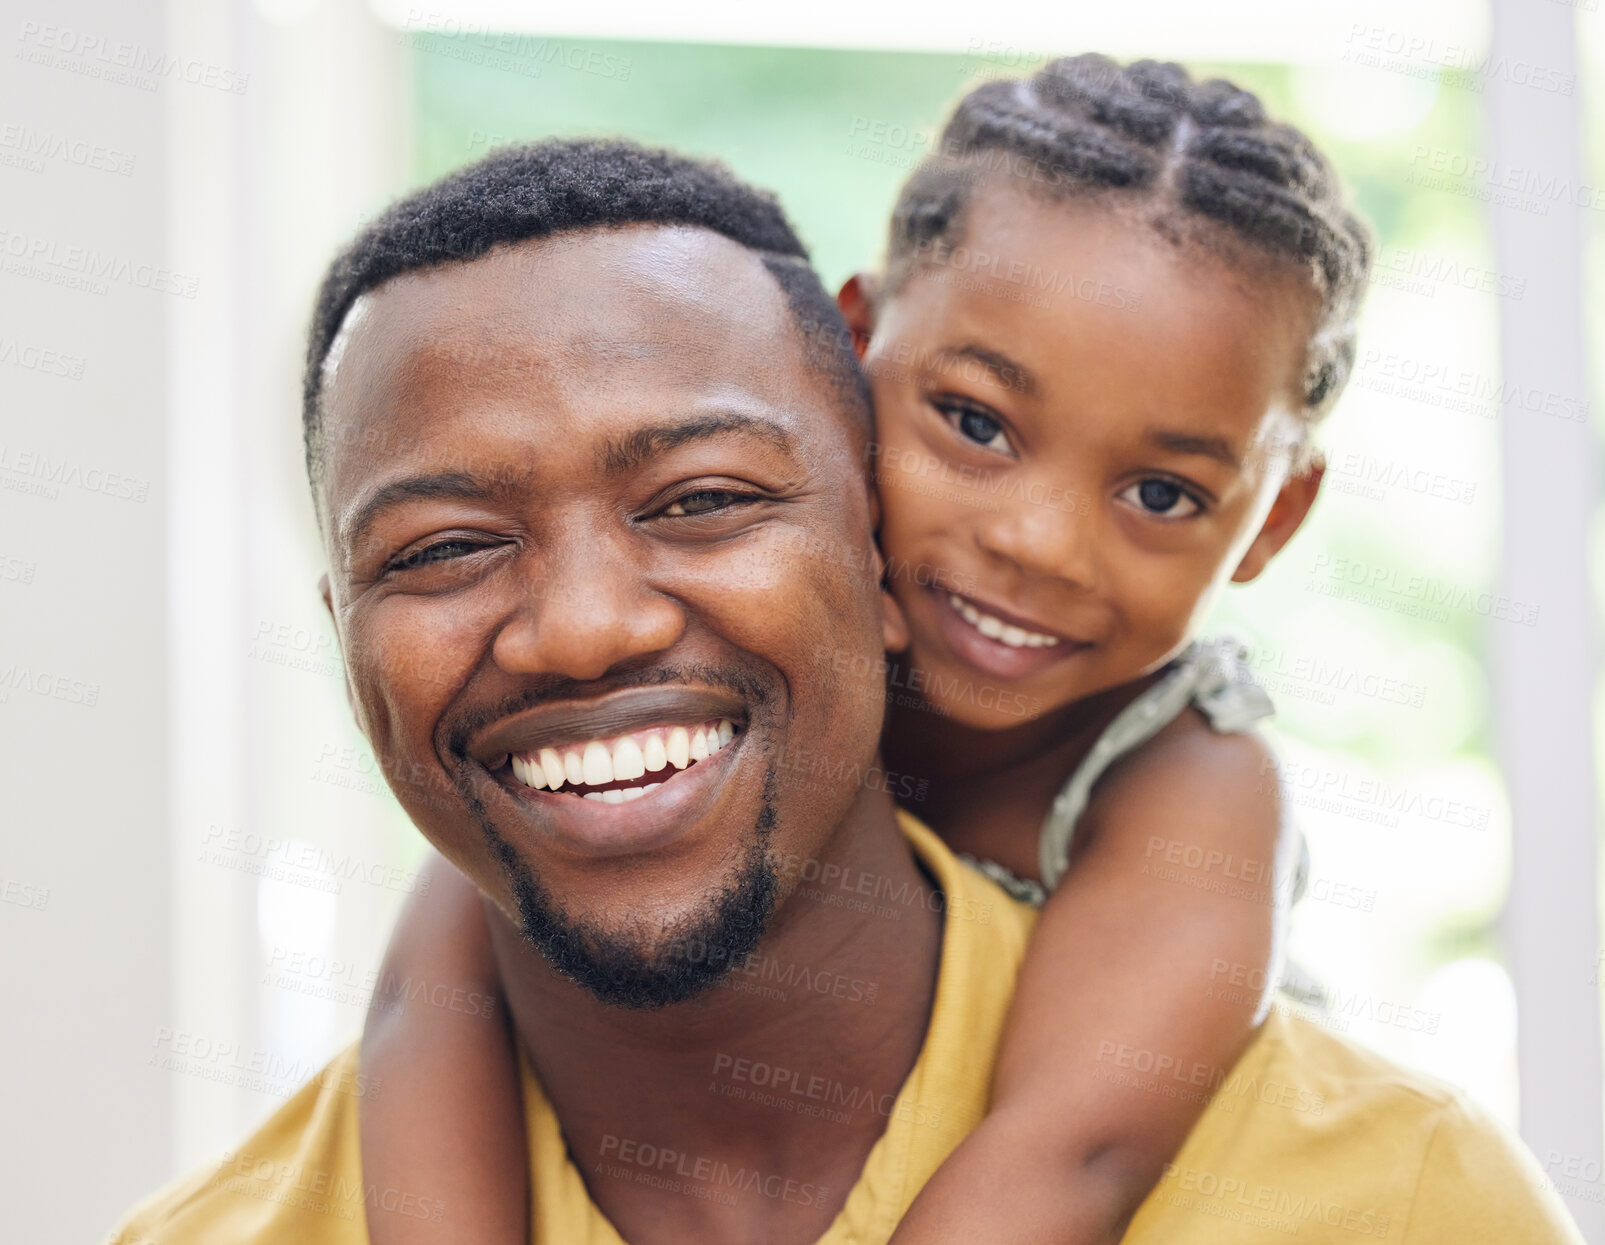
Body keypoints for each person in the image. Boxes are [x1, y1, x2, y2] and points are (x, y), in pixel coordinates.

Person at [110, 134, 1581, 1245]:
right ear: (347, 634)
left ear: (878, 550)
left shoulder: (1397, 1197)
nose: (578, 630)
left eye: (696, 501)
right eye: (441, 548)